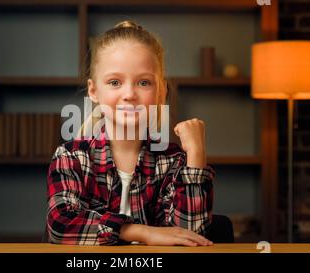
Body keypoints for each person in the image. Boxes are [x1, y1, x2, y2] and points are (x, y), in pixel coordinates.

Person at [47, 20, 215, 246]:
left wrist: (196, 154)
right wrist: (141, 232)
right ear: (94, 90)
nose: (129, 94)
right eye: (115, 82)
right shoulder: (70, 158)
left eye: (143, 82)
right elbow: (61, 226)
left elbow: (190, 236)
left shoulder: (173, 161)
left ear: (161, 91)